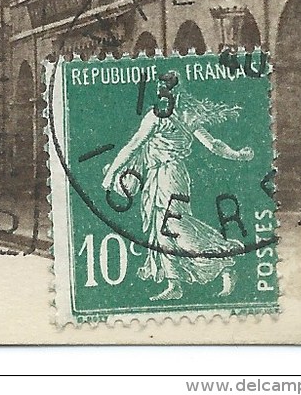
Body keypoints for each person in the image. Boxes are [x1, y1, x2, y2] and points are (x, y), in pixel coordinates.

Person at [102, 71, 252, 300]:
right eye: (162, 89)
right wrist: (112, 173)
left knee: (176, 225)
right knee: (161, 230)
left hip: (172, 174)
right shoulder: (156, 116)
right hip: (155, 176)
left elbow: (212, 144)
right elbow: (133, 145)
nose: (164, 93)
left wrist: (237, 155)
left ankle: (224, 259)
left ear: (177, 90)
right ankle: (175, 285)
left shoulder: (186, 117)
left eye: (168, 89)